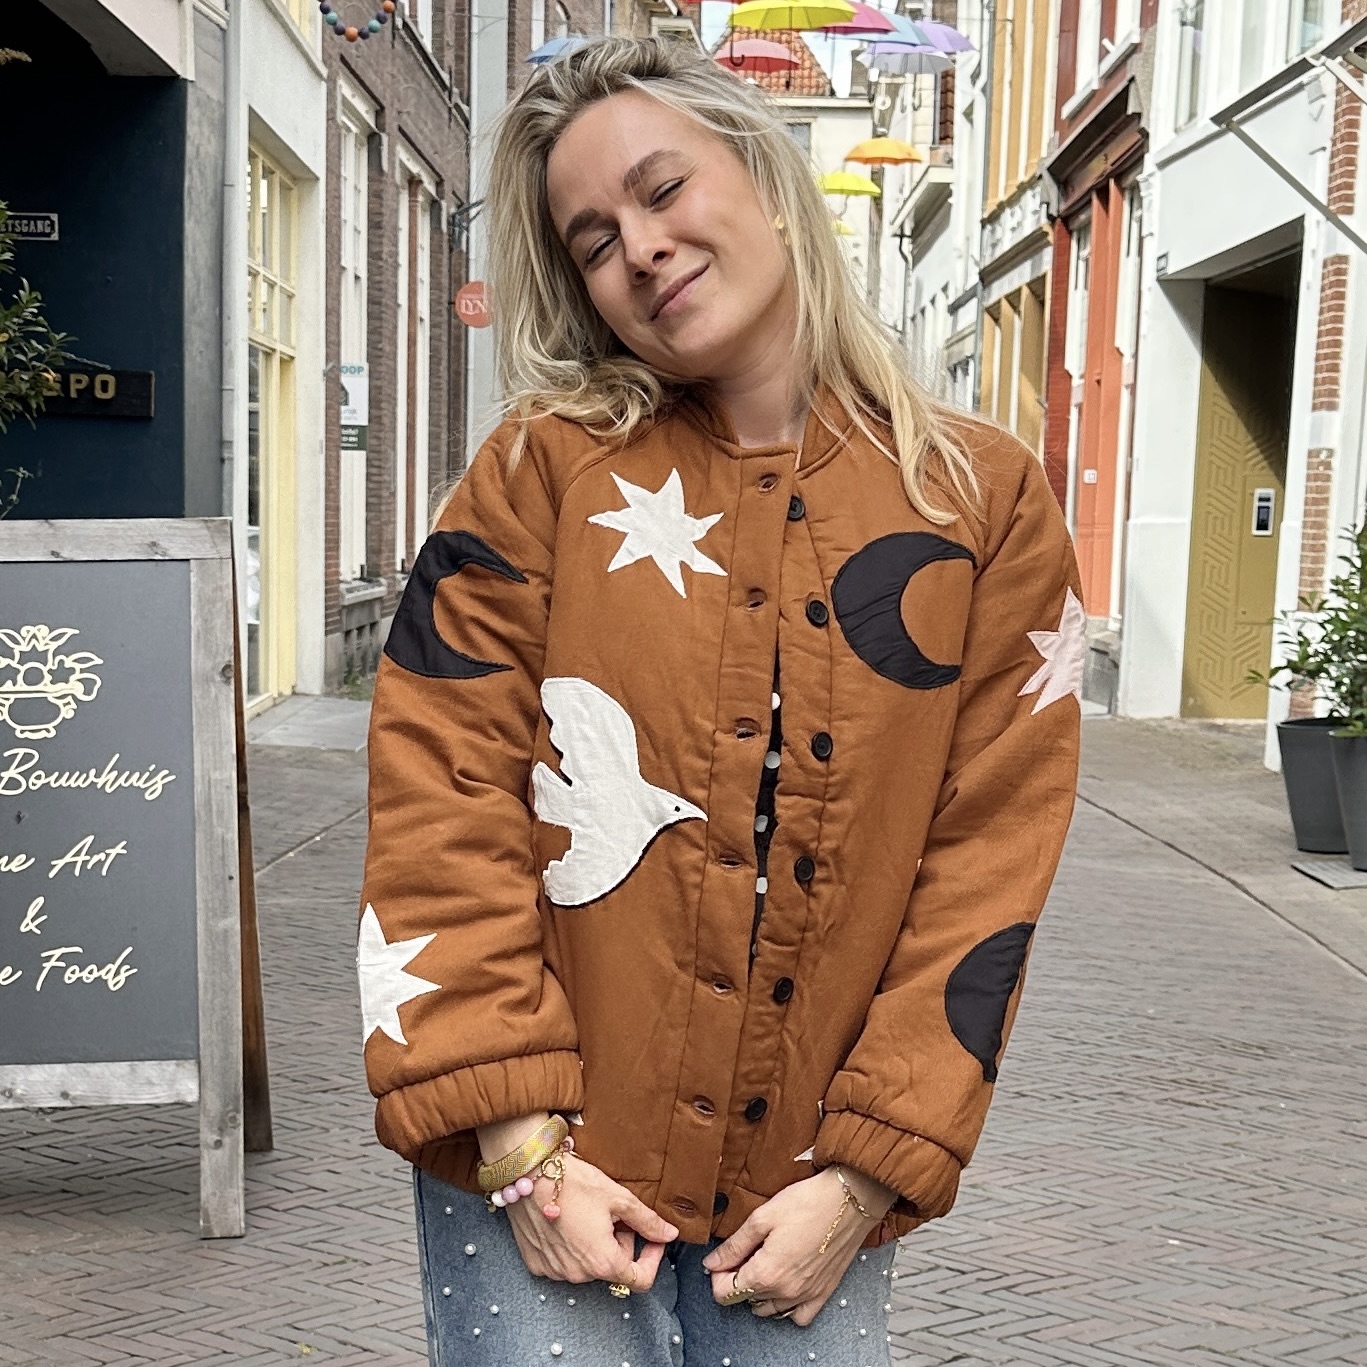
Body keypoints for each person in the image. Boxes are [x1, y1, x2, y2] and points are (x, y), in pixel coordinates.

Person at [358, 34, 1082, 1367]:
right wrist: (519, 1145)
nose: (638, 248)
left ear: (763, 173)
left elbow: (988, 861)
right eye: (592, 241)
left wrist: (863, 1176)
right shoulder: (537, 476)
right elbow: (439, 797)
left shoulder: (979, 506)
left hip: (805, 1198)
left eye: (661, 188)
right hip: (545, 1174)